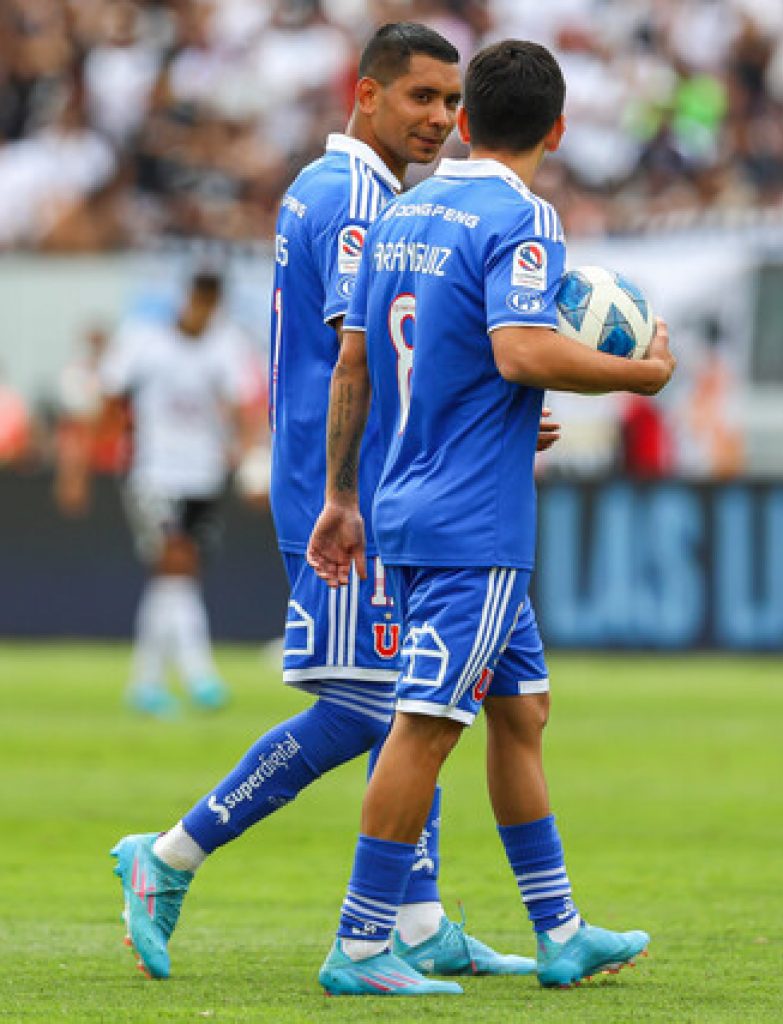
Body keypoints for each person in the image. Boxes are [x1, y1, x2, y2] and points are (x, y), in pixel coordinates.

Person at [110, 23, 532, 983]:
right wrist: (346, 493)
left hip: (366, 484)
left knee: (409, 701)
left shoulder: (339, 186)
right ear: (366, 92)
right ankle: (170, 855)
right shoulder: (355, 200)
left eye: (450, 101)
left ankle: (418, 921)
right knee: (368, 708)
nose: (441, 118)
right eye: (421, 97)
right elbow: (357, 355)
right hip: (342, 492)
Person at [306, 38, 676, 996]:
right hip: (474, 523)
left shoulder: (401, 211)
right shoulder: (524, 214)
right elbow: (519, 350)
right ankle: (360, 945)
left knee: (521, 711)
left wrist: (342, 494)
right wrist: (638, 375)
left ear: (464, 121)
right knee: (426, 727)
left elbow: (358, 362)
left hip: (405, 499)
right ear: (559, 129)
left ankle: (561, 932)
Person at [76, 269, 254, 716]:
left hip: (205, 475)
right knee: (177, 561)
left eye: (211, 303)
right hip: (154, 473)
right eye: (199, 300)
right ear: (187, 298)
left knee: (173, 579)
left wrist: (249, 461)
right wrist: (82, 462)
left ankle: (146, 684)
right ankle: (201, 675)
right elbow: (110, 397)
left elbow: (241, 409)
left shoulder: (227, 345)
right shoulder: (144, 340)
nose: (203, 310)